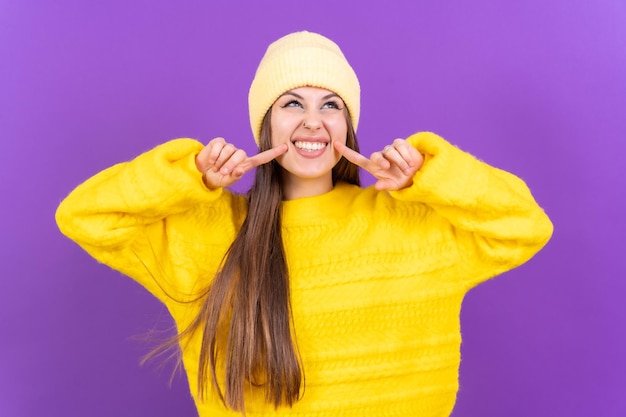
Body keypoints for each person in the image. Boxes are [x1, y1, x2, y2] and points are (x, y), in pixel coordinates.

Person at [55, 31, 553, 416]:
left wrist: (431, 175)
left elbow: (525, 225)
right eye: (292, 103)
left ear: (347, 126)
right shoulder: (206, 232)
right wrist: (190, 177)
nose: (313, 121)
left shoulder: (413, 221)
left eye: (330, 105)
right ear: (266, 125)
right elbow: (85, 216)